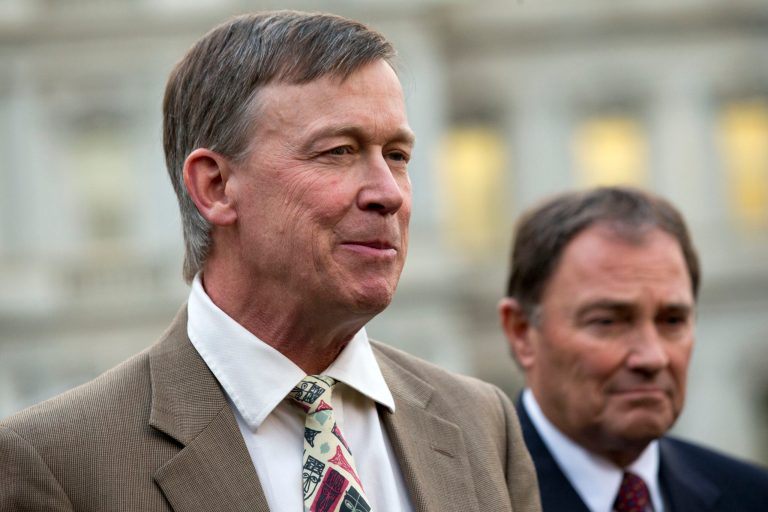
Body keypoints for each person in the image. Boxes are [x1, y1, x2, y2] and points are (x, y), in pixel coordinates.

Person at [0, 11, 541, 512]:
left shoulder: (482, 423)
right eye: (339, 152)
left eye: (397, 157)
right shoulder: (56, 460)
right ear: (214, 186)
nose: (389, 194)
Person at [498, 186, 768, 511]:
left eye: (672, 321)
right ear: (522, 332)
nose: (653, 357)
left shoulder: (751, 495)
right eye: (608, 322)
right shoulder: (471, 498)